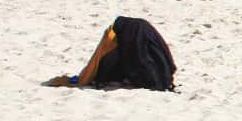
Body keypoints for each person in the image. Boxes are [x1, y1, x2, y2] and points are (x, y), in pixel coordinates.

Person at [45, 16, 176, 91]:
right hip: (137, 29)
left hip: (128, 30)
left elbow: (96, 60)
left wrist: (84, 79)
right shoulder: (127, 35)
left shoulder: (114, 35)